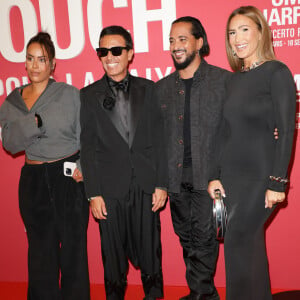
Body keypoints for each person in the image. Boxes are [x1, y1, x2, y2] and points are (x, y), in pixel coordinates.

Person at [208, 6, 296, 300]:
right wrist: (214, 177)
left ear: (261, 32)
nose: (237, 38)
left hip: (260, 177)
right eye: (232, 32)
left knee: (242, 238)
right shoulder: (232, 80)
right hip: (231, 178)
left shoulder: (277, 72)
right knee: (240, 247)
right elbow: (223, 133)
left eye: (245, 29)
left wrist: (277, 182)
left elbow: (286, 130)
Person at [80, 25, 168, 300]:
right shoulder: (88, 94)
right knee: (113, 258)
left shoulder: (149, 89)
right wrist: (93, 193)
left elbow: (160, 142)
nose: (109, 56)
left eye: (116, 50)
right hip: (109, 190)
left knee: (151, 254)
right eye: (103, 51)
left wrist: (162, 184)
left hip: (145, 185)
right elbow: (89, 148)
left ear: (130, 53)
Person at [0, 32, 90, 300]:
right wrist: (33, 123)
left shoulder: (70, 94)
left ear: (52, 64)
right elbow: (10, 144)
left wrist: (84, 164)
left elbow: (88, 135)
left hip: (68, 178)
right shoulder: (12, 102)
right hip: (33, 181)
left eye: (42, 59)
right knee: (40, 252)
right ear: (24, 63)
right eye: (30, 59)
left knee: (74, 251)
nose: (35, 65)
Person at [156, 17, 230, 300]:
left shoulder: (224, 82)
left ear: (199, 42)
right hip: (176, 183)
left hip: (209, 181)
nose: (176, 46)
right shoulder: (161, 88)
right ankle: (203, 294)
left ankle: (200, 295)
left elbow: (239, 127)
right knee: (187, 242)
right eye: (172, 40)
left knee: (203, 244)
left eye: (182, 39)